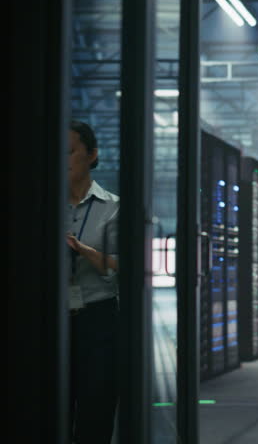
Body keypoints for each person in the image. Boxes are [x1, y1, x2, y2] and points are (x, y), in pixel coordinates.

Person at [66, 120, 120, 443]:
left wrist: (81, 249)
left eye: (70, 151)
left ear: (92, 155)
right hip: (52, 320)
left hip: (97, 320)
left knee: (95, 413)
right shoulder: (42, 204)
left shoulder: (113, 207)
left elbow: (118, 267)